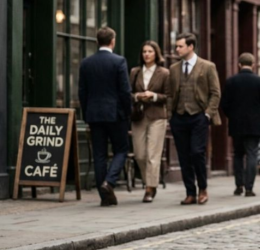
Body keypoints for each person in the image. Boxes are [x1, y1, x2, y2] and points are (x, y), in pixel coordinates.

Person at [78, 27, 131, 207]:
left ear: (96, 41)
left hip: (94, 115)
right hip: (116, 114)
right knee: (122, 150)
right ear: (113, 41)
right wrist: (128, 113)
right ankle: (109, 183)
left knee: (99, 154)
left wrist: (86, 115)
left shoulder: (86, 63)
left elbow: (82, 93)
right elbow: (125, 91)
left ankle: (104, 196)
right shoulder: (119, 61)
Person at [168, 33, 221, 205]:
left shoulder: (207, 66)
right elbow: (170, 94)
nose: (177, 49)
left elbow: (215, 93)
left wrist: (207, 113)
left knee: (197, 152)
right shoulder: (174, 69)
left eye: (180, 46)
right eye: (176, 46)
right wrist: (170, 115)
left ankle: (203, 188)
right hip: (179, 117)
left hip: (199, 116)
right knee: (183, 156)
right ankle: (190, 192)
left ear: (191, 47)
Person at [220, 53, 260, 197]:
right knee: (251, 155)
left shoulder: (231, 81)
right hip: (254, 124)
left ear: (239, 64)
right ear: (253, 64)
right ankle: (249, 188)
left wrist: (232, 116)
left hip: (236, 124)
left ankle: (239, 186)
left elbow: (224, 104)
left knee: (237, 155)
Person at [130, 41, 170, 203]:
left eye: (150, 51)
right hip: (139, 116)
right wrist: (137, 96)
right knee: (140, 155)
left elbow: (168, 96)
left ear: (156, 54)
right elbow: (128, 93)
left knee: (153, 155)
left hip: (157, 117)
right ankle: (150, 182)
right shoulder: (135, 72)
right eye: (144, 51)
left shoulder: (165, 73)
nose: (146, 54)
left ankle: (150, 188)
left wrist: (153, 96)